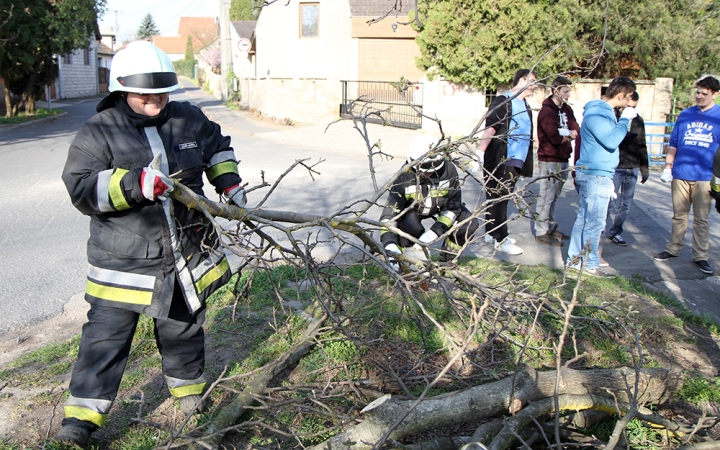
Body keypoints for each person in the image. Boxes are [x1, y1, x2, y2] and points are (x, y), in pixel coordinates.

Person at [56, 41, 247, 446]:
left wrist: (228, 183)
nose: (155, 100)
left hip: (184, 257)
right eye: (145, 94)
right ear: (123, 89)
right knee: (105, 340)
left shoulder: (189, 119)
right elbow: (81, 188)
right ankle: (80, 421)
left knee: (183, 329)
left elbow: (218, 149)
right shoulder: (99, 131)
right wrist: (133, 184)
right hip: (123, 262)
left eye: (161, 93)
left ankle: (190, 395)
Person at [566, 76, 637, 277]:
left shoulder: (603, 112)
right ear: (621, 95)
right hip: (595, 175)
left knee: (585, 219)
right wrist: (625, 120)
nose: (629, 103)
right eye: (628, 98)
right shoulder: (598, 113)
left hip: (597, 173)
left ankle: (575, 261)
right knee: (595, 221)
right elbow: (611, 141)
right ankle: (589, 264)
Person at [653, 75, 720, 275]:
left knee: (701, 219)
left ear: (715, 94)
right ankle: (674, 248)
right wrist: (667, 167)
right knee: (679, 216)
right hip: (681, 173)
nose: (699, 96)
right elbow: (673, 143)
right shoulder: (685, 114)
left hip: (705, 176)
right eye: (697, 92)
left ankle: (700, 255)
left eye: (704, 94)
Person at [381, 134, 479, 265]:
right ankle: (402, 261)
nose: (424, 175)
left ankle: (448, 259)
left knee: (469, 224)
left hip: (441, 207)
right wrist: (389, 245)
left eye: (428, 172)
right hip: (414, 210)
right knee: (410, 226)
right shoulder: (404, 176)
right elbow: (389, 214)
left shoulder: (448, 170)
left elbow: (453, 207)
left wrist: (433, 233)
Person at [474, 69, 537, 255]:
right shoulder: (504, 101)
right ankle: (501, 239)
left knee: (498, 197)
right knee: (499, 198)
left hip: (516, 160)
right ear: (522, 80)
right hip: (501, 158)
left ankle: (491, 232)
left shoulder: (524, 104)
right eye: (533, 81)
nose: (536, 85)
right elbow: (491, 128)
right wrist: (479, 151)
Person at [534, 76, 580, 246]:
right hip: (549, 159)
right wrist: (569, 136)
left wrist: (567, 135)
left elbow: (576, 128)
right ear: (556, 92)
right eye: (565, 91)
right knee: (546, 195)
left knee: (555, 196)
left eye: (569, 91)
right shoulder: (546, 112)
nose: (568, 94)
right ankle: (541, 231)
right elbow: (553, 137)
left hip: (563, 158)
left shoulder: (566, 110)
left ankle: (550, 226)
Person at [606, 91, 650, 246]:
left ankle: (616, 232)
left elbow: (642, 143)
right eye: (629, 105)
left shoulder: (638, 121)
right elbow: (609, 140)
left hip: (632, 167)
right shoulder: (614, 118)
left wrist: (644, 167)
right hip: (617, 166)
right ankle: (599, 231)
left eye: (634, 106)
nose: (631, 109)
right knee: (609, 201)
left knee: (626, 203)